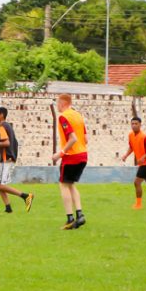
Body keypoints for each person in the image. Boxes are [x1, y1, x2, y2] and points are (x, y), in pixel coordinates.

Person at [0, 107, 33, 213]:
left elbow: (7, 143)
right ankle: (8, 208)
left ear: (1, 115)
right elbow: (13, 143)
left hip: (6, 159)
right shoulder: (8, 126)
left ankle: (25, 196)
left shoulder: (2, 126)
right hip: (8, 157)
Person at [51, 94, 88, 229]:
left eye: (57, 104)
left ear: (62, 103)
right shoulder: (78, 116)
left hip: (71, 156)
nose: (57, 107)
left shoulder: (63, 117)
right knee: (71, 184)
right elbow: (85, 138)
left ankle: (70, 218)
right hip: (83, 155)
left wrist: (60, 154)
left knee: (63, 185)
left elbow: (72, 138)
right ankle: (80, 215)